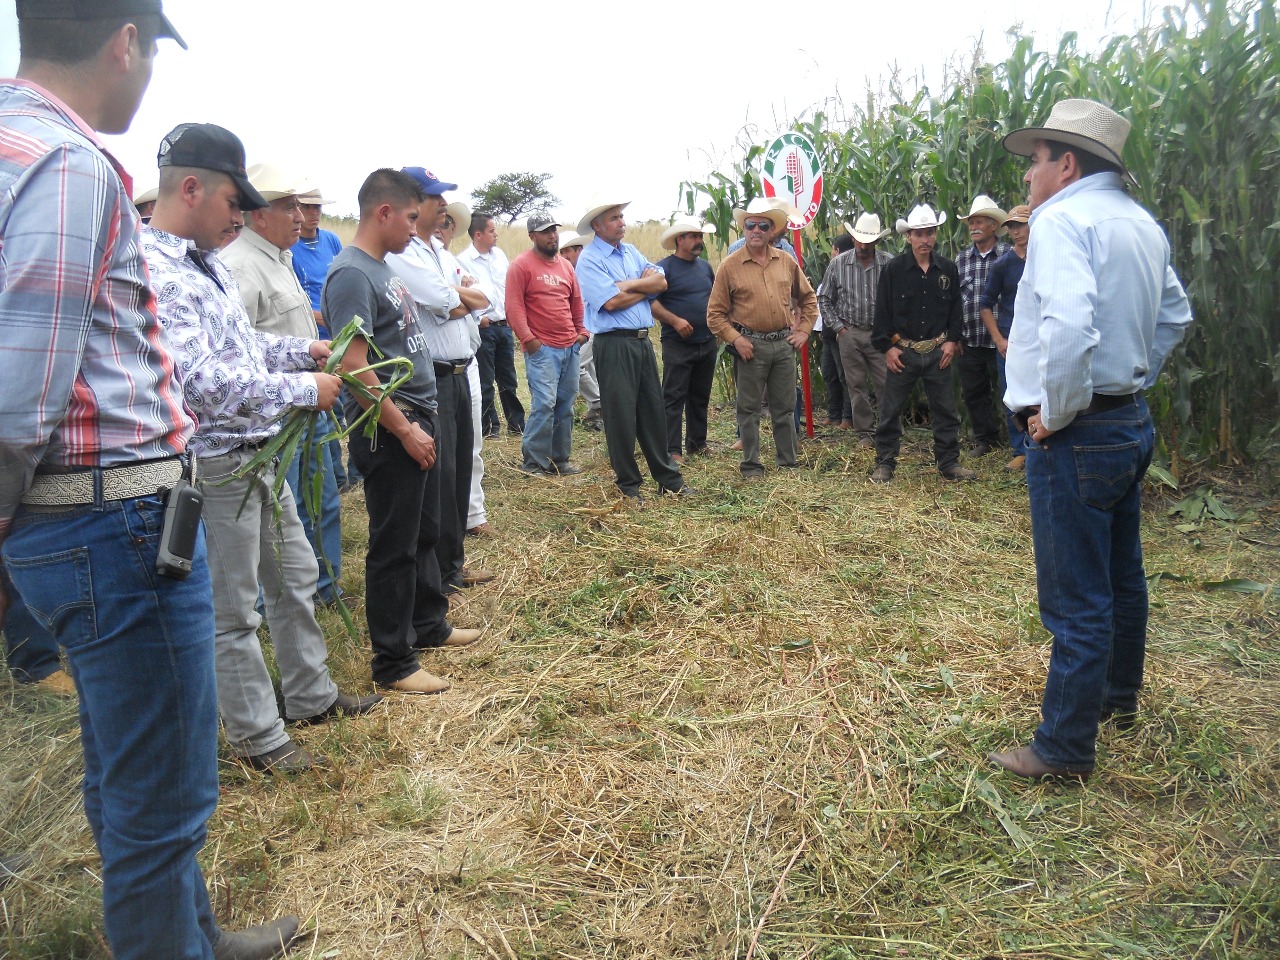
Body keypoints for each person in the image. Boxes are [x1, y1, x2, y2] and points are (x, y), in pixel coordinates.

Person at [0, 5, 296, 957]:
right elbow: (21, 392)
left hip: (80, 521)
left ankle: (192, 930)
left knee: (130, 765)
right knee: (161, 797)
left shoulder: (14, 147)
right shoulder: (70, 165)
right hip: (114, 521)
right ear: (126, 41)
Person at [144, 125, 382, 775]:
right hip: (217, 465)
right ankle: (257, 738)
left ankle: (310, 695)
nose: (240, 218)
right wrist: (305, 388)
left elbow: (241, 349)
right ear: (191, 190)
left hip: (257, 455)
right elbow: (198, 382)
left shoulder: (203, 263)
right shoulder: (158, 271)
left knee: (295, 576)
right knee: (233, 610)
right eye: (234, 203)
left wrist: (303, 350)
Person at [988, 99, 1192, 781]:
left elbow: (1071, 328)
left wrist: (1061, 409)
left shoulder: (1061, 220)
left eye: (1035, 161)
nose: (1028, 177)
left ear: (1067, 164)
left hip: (1077, 433)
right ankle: (1117, 698)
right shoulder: (1141, 223)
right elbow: (1174, 316)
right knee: (1122, 578)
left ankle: (1064, 748)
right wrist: (1130, 379)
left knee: (1076, 596)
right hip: (1130, 421)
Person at [322, 169, 482, 695]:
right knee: (394, 544)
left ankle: (429, 623)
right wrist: (405, 429)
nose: (416, 229)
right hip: (390, 427)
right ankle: (393, 661)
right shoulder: (352, 274)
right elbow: (354, 366)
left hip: (417, 415)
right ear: (383, 212)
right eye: (411, 217)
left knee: (424, 530)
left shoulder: (381, 268)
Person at [222, 163, 344, 606]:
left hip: (308, 407)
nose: (300, 216)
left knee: (321, 500)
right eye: (289, 207)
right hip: (275, 420)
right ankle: (276, 601)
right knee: (279, 511)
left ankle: (324, 589)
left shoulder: (280, 258)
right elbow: (237, 354)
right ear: (259, 215)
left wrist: (311, 353)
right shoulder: (239, 266)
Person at [386, 168, 491, 596]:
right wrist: (458, 296)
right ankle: (441, 574)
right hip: (435, 376)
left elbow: (483, 298)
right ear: (413, 202)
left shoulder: (439, 252)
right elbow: (443, 301)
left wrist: (457, 296)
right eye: (435, 198)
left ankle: (453, 564)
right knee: (442, 476)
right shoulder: (404, 254)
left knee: (460, 468)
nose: (444, 206)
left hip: (462, 371)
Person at [575, 196, 689, 501]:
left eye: (621, 217)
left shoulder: (630, 251)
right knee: (620, 416)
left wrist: (627, 285)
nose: (621, 223)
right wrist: (642, 285)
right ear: (597, 226)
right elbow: (611, 303)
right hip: (614, 344)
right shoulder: (590, 260)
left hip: (641, 341)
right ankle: (629, 486)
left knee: (653, 411)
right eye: (614, 218)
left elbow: (661, 283)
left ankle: (669, 480)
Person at [707, 200, 818, 478]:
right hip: (750, 346)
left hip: (783, 344)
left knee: (785, 407)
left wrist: (803, 331)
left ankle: (788, 462)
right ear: (743, 228)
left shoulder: (786, 261)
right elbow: (715, 315)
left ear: (772, 231)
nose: (756, 230)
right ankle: (751, 465)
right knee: (748, 409)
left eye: (763, 226)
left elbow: (809, 299)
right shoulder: (729, 266)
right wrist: (736, 340)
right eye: (750, 225)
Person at [869, 204, 976, 483]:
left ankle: (949, 463)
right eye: (919, 234)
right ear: (909, 237)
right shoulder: (894, 270)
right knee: (890, 410)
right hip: (903, 352)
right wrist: (887, 348)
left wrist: (952, 341)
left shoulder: (947, 269)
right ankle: (885, 463)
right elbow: (882, 311)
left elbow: (956, 309)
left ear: (936, 234)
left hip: (938, 351)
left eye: (929, 233)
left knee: (946, 410)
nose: (925, 239)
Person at [506, 213, 588, 475]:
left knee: (565, 405)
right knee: (544, 405)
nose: (552, 236)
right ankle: (533, 463)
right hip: (543, 350)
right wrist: (529, 340)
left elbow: (576, 302)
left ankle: (559, 460)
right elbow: (514, 307)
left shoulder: (566, 266)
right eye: (545, 231)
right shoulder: (521, 266)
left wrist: (582, 332)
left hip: (570, 347)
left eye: (554, 230)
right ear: (532, 236)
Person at [292, 186, 361, 493]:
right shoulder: (291, 247)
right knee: (328, 411)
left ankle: (357, 472)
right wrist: (329, 319)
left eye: (317, 207)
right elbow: (298, 300)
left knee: (357, 401)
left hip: (341, 338)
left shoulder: (331, 240)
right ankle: (338, 479)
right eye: (306, 207)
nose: (312, 213)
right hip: (315, 343)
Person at [819, 213, 893, 449]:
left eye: (868, 241)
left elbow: (899, 299)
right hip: (849, 331)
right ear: (852, 239)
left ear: (876, 241)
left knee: (886, 384)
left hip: (880, 334)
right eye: (860, 240)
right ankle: (865, 433)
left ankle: (889, 432)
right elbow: (824, 298)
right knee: (856, 385)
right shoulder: (838, 264)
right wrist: (839, 328)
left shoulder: (888, 263)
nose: (863, 245)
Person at [653, 217, 718, 460]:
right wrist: (675, 321)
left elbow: (714, 298)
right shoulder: (663, 269)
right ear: (679, 240)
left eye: (700, 236)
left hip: (707, 341)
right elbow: (651, 303)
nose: (699, 241)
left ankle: (697, 444)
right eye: (694, 237)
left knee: (700, 395)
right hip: (677, 343)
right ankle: (672, 449)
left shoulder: (705, 268)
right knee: (673, 396)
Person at [458, 212, 526, 438]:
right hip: (484, 328)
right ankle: (489, 427)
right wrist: (479, 319)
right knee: (485, 379)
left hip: (504, 325)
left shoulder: (500, 256)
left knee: (508, 377)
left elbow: (508, 288)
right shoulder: (463, 261)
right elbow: (463, 295)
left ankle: (516, 424)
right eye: (491, 230)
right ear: (478, 234)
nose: (496, 234)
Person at [955, 195, 1011, 457]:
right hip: (971, 338)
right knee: (975, 393)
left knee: (1011, 391)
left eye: (979, 222)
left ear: (993, 225)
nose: (974, 227)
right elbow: (954, 300)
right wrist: (955, 336)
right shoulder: (962, 259)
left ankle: (1018, 440)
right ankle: (986, 440)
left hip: (1004, 339)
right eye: (971, 223)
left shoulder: (1009, 255)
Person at [980, 204, 1032, 471]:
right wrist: (999, 340)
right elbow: (985, 304)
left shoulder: (1045, 259)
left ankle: (1041, 446)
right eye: (1012, 227)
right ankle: (1020, 449)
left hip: (1040, 341)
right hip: (1012, 342)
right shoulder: (1003, 265)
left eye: (1021, 225)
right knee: (1012, 396)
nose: (1016, 231)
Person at [560, 231, 603, 430]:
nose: (564, 256)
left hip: (592, 325)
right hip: (580, 327)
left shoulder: (587, 270)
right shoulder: (567, 272)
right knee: (589, 368)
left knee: (576, 366)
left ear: (579, 250)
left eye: (567, 251)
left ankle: (599, 403)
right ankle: (596, 413)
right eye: (561, 252)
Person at [816, 233, 854, 430]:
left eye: (832, 249)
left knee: (845, 377)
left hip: (842, 335)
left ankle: (848, 417)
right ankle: (834, 415)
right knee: (829, 374)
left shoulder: (848, 274)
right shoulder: (832, 271)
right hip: (829, 335)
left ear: (837, 251)